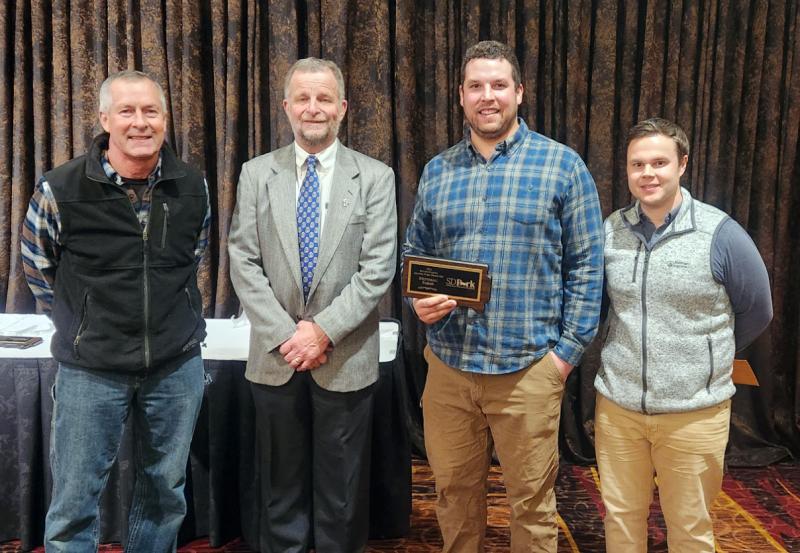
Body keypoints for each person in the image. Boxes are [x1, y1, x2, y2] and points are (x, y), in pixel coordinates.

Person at [403, 40, 604, 552]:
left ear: (519, 92)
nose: (486, 96)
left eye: (498, 85)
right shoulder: (438, 170)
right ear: (461, 96)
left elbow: (587, 267)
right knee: (453, 496)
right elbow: (415, 254)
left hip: (528, 370)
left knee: (532, 507)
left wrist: (563, 358)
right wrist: (417, 300)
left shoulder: (563, 166)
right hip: (450, 369)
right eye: (476, 86)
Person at [21, 70, 211, 552]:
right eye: (127, 111)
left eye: (151, 111)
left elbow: (194, 256)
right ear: (105, 119)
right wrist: (82, 322)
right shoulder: (59, 188)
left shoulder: (194, 186)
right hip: (91, 369)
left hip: (175, 366)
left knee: (165, 494)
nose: (140, 122)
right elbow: (38, 266)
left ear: (165, 119)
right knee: (74, 501)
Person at [228, 57, 397, 553]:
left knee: (341, 493)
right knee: (280, 487)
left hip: (344, 356)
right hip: (275, 356)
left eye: (324, 98)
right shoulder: (256, 174)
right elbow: (243, 260)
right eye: (302, 98)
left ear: (342, 107)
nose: (313, 108)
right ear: (286, 107)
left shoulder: (375, 177)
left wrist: (321, 332)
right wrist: (288, 336)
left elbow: (377, 268)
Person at [595, 117, 773, 552]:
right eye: (637, 164)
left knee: (690, 527)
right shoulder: (610, 230)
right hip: (618, 410)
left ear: (683, 164)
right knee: (620, 519)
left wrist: (706, 357)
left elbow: (758, 311)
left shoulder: (720, 233)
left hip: (694, 413)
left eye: (659, 162)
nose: (648, 173)